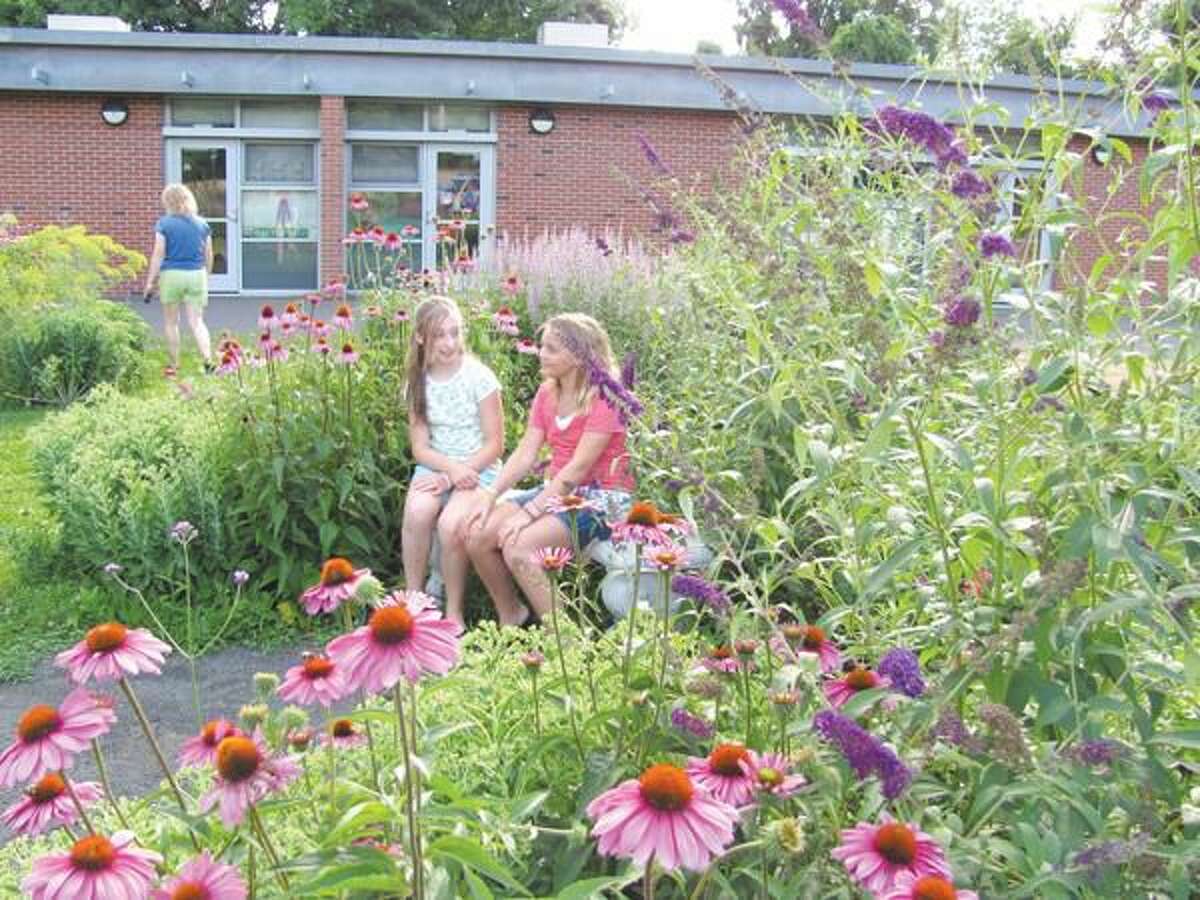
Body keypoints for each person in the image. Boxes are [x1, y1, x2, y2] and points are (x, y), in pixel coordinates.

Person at [465, 313, 634, 626]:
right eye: (542, 346)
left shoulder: (607, 396)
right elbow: (526, 453)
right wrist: (491, 495)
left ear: (579, 355)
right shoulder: (548, 392)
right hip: (557, 490)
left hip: (602, 497)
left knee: (519, 547)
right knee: (477, 535)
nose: (541, 353)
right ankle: (512, 619)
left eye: (551, 348)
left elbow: (578, 469)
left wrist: (527, 513)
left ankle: (565, 643)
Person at [403, 296, 505, 627]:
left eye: (455, 333)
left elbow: (495, 444)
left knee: (450, 526)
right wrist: (448, 471)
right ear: (420, 337)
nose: (449, 343)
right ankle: (414, 600)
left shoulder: (480, 377)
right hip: (437, 465)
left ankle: (453, 612)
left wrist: (458, 475)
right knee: (418, 512)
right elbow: (420, 448)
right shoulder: (417, 382)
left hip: (480, 467)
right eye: (439, 335)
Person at [142, 183, 215, 377]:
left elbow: (158, 254)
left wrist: (150, 282)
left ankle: (174, 366)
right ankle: (208, 361)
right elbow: (209, 254)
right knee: (197, 322)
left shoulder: (164, 224)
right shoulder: (202, 224)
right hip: (196, 275)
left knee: (171, 323)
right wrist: (206, 275)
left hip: (172, 276)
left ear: (167, 202)